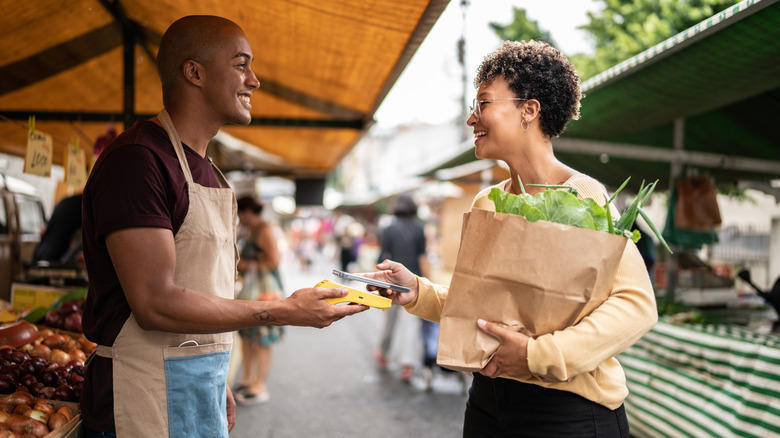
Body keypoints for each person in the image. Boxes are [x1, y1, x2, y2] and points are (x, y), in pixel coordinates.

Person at [80, 15, 367, 438]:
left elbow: (203, 289)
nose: (254, 80)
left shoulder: (210, 173)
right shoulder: (137, 161)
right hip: (139, 400)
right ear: (194, 72)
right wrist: (282, 311)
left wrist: (214, 378)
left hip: (199, 385)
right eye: (241, 64)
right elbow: (154, 302)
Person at [362, 40, 657, 437]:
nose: (472, 119)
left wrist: (539, 355)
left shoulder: (585, 195)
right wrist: (418, 291)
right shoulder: (488, 202)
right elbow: (480, 306)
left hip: (569, 411)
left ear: (529, 110)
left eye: (483, 103)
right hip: (488, 401)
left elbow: (636, 305)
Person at [234, 196, 284, 404]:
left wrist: (247, 265)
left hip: (265, 289)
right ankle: (248, 379)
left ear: (246, 212)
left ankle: (259, 384)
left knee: (262, 337)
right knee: (247, 334)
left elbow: (274, 261)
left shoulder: (263, 229)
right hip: (253, 288)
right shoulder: (252, 229)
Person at [373, 194, 427, 383]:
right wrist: (428, 282)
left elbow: (381, 258)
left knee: (390, 321)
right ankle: (407, 365)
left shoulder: (388, 229)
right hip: (414, 282)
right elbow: (422, 258)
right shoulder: (420, 229)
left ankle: (384, 353)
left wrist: (376, 283)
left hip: (392, 282)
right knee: (410, 324)